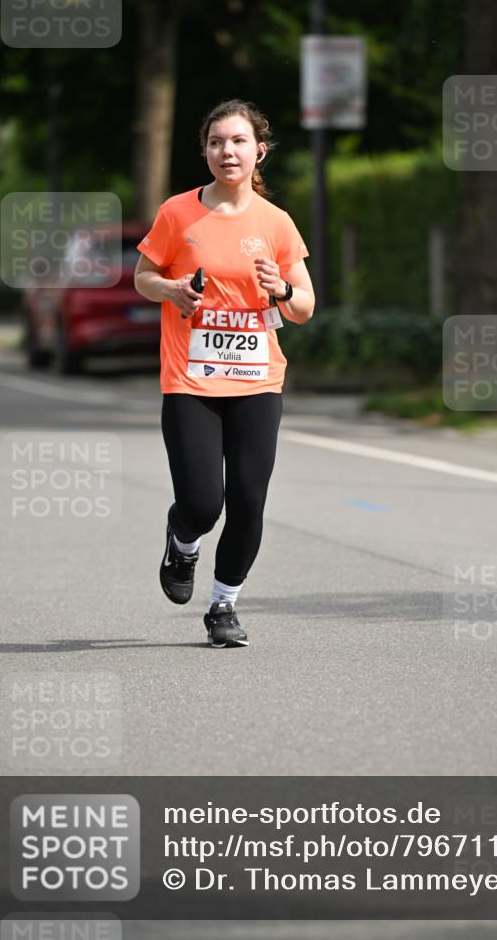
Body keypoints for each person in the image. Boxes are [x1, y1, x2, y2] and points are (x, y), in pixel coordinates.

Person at [134, 99, 315, 647]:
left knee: (249, 500)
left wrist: (280, 289)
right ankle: (182, 541)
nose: (226, 151)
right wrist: (171, 290)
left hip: (257, 380)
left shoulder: (276, 223)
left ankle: (223, 606)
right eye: (216, 142)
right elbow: (144, 276)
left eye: (237, 141)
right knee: (202, 503)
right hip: (191, 379)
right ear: (205, 150)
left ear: (259, 150)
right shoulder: (177, 214)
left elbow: (304, 305)